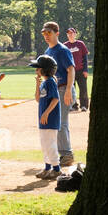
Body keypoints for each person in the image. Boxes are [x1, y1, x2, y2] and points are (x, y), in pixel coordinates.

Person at [41, 21, 76, 167]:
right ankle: (60, 153)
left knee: (61, 123)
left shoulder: (62, 50)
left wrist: (68, 90)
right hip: (54, 90)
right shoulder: (48, 52)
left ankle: (67, 154)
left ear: (57, 33)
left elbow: (71, 69)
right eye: (44, 33)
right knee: (56, 123)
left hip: (63, 89)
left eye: (49, 33)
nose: (46, 36)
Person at [30, 54, 61, 180]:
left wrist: (46, 113)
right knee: (44, 144)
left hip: (50, 120)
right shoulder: (44, 83)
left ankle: (57, 169)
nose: (36, 70)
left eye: (38, 68)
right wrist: (38, 84)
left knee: (50, 144)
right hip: (43, 120)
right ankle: (47, 168)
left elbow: (55, 99)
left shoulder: (51, 82)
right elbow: (37, 99)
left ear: (45, 69)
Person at [64, 27, 90, 111]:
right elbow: (63, 59)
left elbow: (85, 58)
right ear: (67, 35)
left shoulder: (80, 44)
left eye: (72, 33)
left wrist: (86, 70)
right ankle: (73, 105)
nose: (70, 35)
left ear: (75, 34)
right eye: (69, 33)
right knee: (71, 89)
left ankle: (84, 106)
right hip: (70, 71)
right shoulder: (65, 46)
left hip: (81, 70)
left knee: (83, 89)